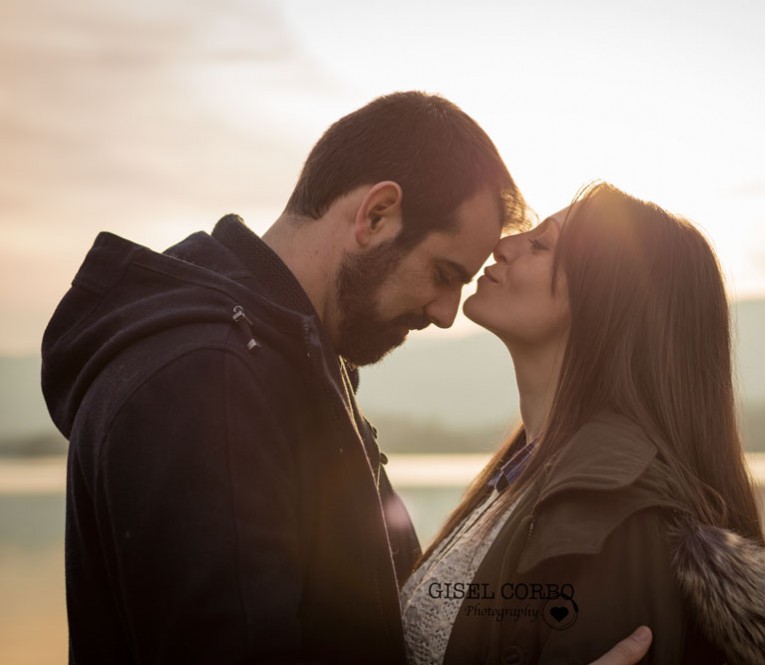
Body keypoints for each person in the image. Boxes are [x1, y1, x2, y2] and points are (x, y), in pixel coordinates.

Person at [41, 93, 651, 664]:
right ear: (377, 214)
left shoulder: (283, 361)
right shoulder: (212, 381)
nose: (446, 313)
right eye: (444, 272)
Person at [400, 182, 765, 664]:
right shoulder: (526, 477)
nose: (502, 245)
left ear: (603, 302)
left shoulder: (617, 520)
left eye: (541, 244)